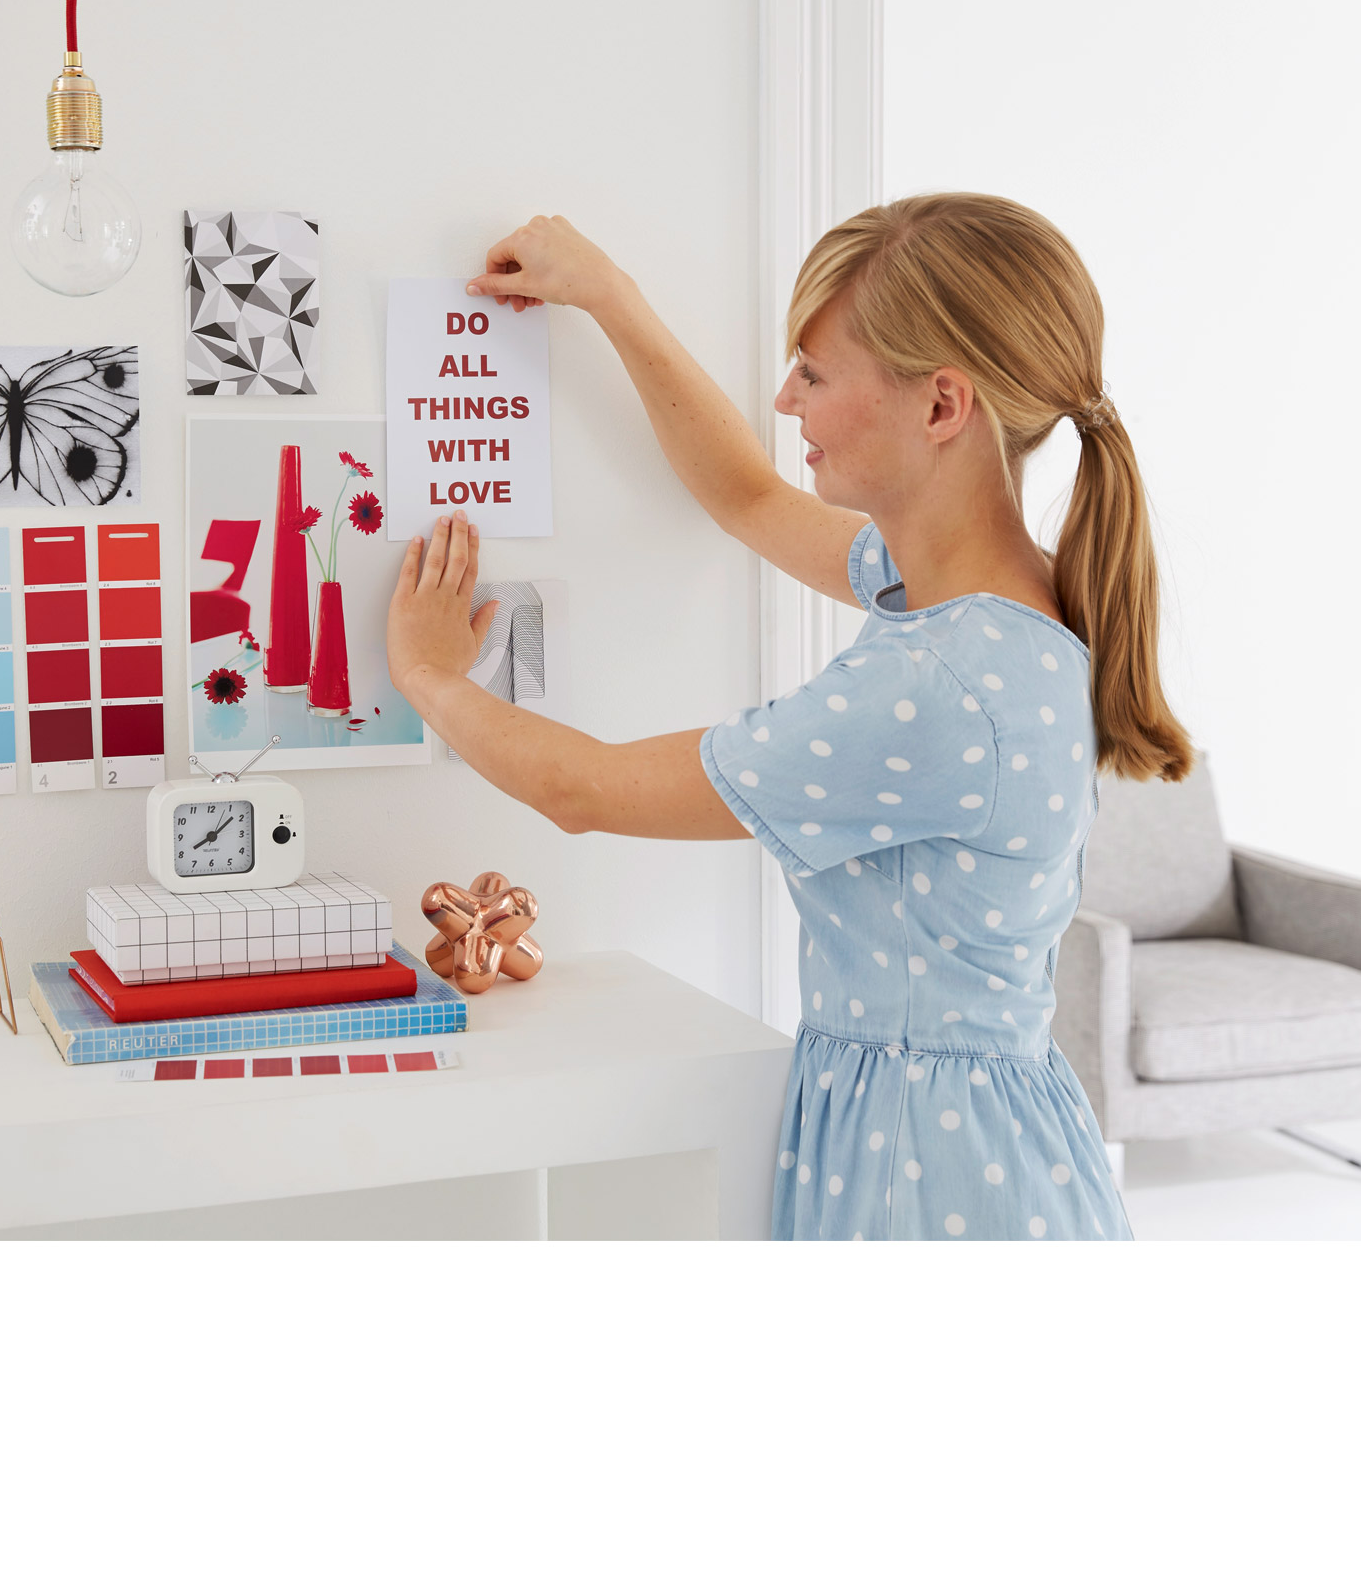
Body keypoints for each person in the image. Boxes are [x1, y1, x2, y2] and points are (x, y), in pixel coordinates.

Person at [385, 194, 1193, 1241]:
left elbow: (581, 790)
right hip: (973, 1145)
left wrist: (429, 675)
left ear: (941, 406)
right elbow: (748, 498)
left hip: (931, 1177)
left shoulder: (937, 689)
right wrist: (606, 295)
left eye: (812, 372)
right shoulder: (987, 597)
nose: (783, 397)